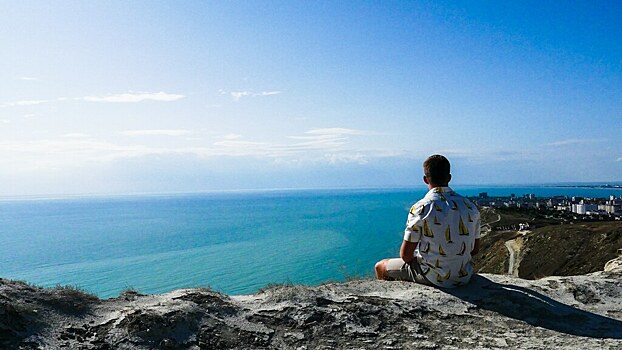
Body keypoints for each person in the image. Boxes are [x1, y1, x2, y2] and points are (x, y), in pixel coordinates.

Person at [375, 154, 481, 288]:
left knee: (380, 266)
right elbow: (475, 250)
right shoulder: (470, 206)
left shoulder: (421, 208)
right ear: (449, 178)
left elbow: (406, 255)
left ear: (425, 179)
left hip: (432, 277)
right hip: (464, 276)